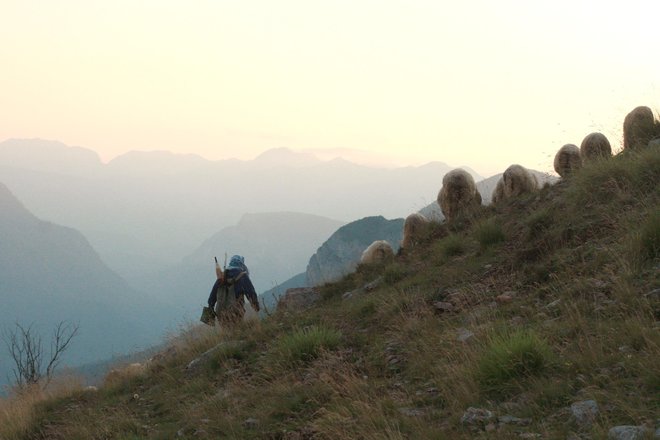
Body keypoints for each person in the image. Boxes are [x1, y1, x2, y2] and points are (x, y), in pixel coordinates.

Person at [207, 255, 260, 326]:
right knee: (237, 332)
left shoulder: (221, 277)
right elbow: (251, 293)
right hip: (236, 311)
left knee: (227, 335)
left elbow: (211, 298)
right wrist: (256, 306)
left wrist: (210, 309)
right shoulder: (242, 276)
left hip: (221, 313)